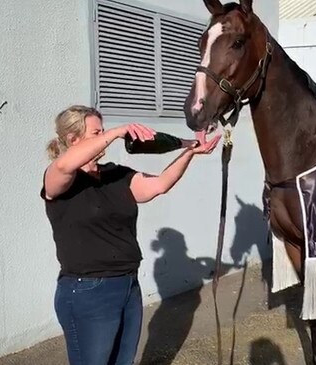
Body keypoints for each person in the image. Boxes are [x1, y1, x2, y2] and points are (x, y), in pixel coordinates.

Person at [40, 105, 220, 365]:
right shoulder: (59, 179)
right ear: (73, 139)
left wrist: (189, 151)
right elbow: (66, 165)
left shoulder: (116, 174)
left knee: (123, 361)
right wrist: (116, 132)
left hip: (127, 285)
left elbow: (159, 184)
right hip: (88, 292)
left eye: (103, 131)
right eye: (96, 132)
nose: (105, 137)